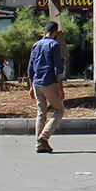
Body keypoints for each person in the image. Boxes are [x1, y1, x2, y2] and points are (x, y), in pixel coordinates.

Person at [28, 21, 65, 153]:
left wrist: (31, 86)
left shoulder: (36, 45)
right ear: (55, 32)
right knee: (59, 110)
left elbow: (30, 67)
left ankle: (39, 144)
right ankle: (43, 137)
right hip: (49, 82)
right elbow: (58, 68)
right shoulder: (54, 45)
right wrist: (60, 87)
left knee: (41, 113)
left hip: (36, 83)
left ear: (45, 31)